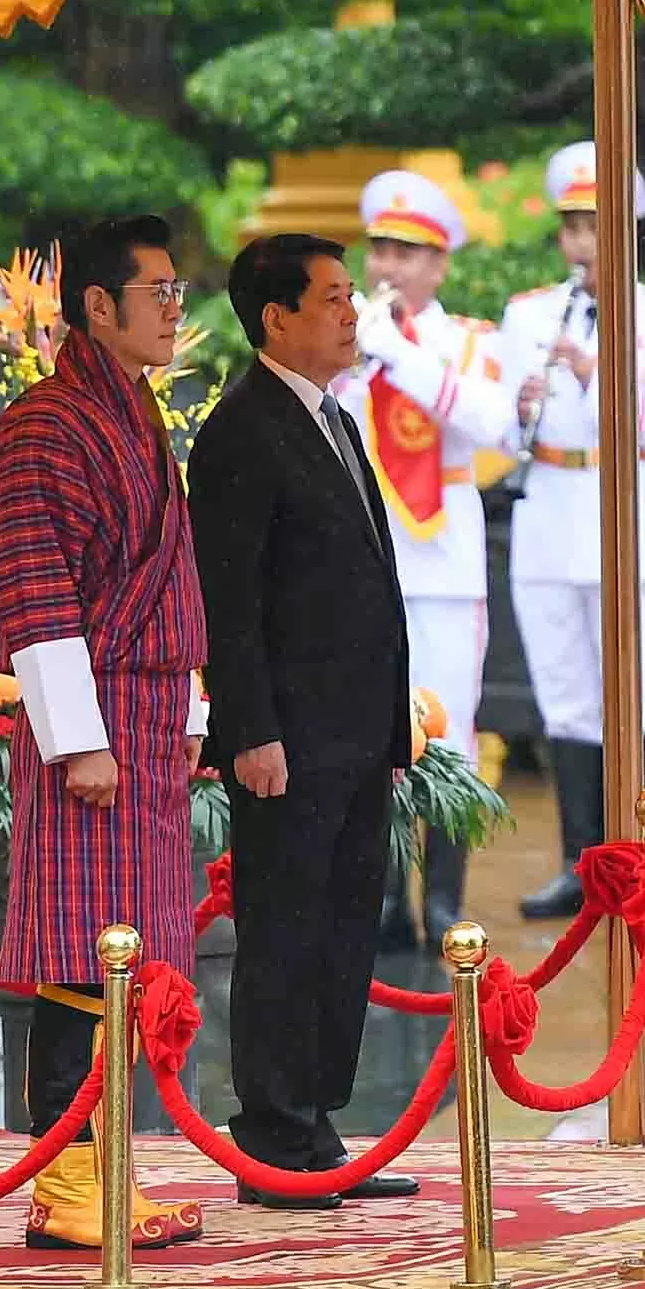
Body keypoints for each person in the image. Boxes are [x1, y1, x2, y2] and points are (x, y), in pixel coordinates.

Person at [0, 215, 207, 1252]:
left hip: (149, 714)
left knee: (136, 955)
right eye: (156, 291)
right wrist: (78, 741)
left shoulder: (128, 413)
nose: (174, 308)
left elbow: (169, 582)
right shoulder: (46, 423)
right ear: (99, 308)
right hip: (98, 723)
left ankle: (105, 1171)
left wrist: (192, 709)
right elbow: (35, 596)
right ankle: (70, 1188)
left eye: (176, 290)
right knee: (86, 954)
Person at [192, 234, 417, 1204]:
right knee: (284, 929)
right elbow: (229, 600)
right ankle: (274, 1134)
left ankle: (316, 1124)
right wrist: (250, 731)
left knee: (340, 928)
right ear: (275, 318)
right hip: (288, 735)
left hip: (357, 731)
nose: (350, 311)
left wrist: (395, 731)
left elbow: (371, 582)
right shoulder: (243, 428)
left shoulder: (332, 419)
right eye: (331, 298)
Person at [500, 141, 645, 918]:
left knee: (638, 700)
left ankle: (644, 861)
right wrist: (518, 407)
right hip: (550, 509)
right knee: (565, 699)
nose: (583, 243)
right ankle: (581, 864)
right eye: (573, 227)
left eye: (599, 226)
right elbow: (492, 428)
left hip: (629, 507)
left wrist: (596, 375)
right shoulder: (525, 314)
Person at [338, 172, 514, 950]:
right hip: (363, 557)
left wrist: (396, 354)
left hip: (441, 560)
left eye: (408, 252)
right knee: (365, 728)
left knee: (448, 731)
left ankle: (442, 896)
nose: (389, 266)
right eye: (380, 248)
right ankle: (378, 899)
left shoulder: (468, 342)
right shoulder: (342, 337)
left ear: (439, 265)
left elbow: (490, 423)